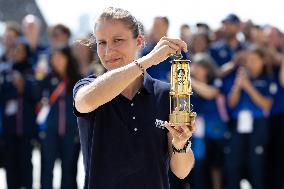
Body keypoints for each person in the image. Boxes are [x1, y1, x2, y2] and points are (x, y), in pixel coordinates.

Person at [73, 7, 196, 189]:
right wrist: (149, 60)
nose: (108, 51)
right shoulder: (89, 87)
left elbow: (181, 171)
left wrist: (181, 144)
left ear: (138, 41)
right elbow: (85, 102)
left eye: (118, 40)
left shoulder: (165, 94)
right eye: (101, 42)